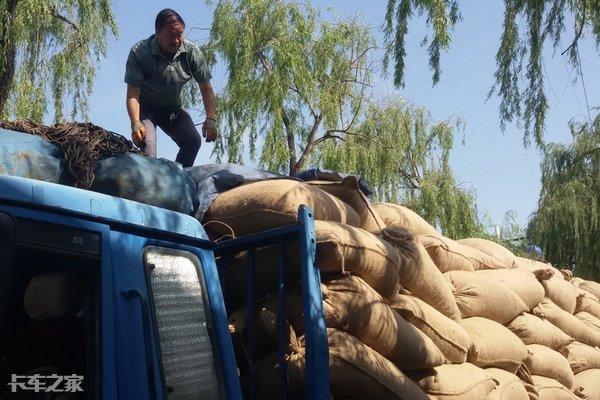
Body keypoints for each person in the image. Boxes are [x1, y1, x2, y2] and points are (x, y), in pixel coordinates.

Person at [124, 8, 217, 167]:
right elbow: (132, 94)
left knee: (193, 140)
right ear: (157, 33)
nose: (176, 40)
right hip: (146, 109)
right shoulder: (139, 53)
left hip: (173, 109)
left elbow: (206, 87)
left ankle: (177, 180)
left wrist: (211, 118)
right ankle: (148, 184)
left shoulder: (191, 52)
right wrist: (135, 123)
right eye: (170, 36)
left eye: (179, 34)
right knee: (148, 145)